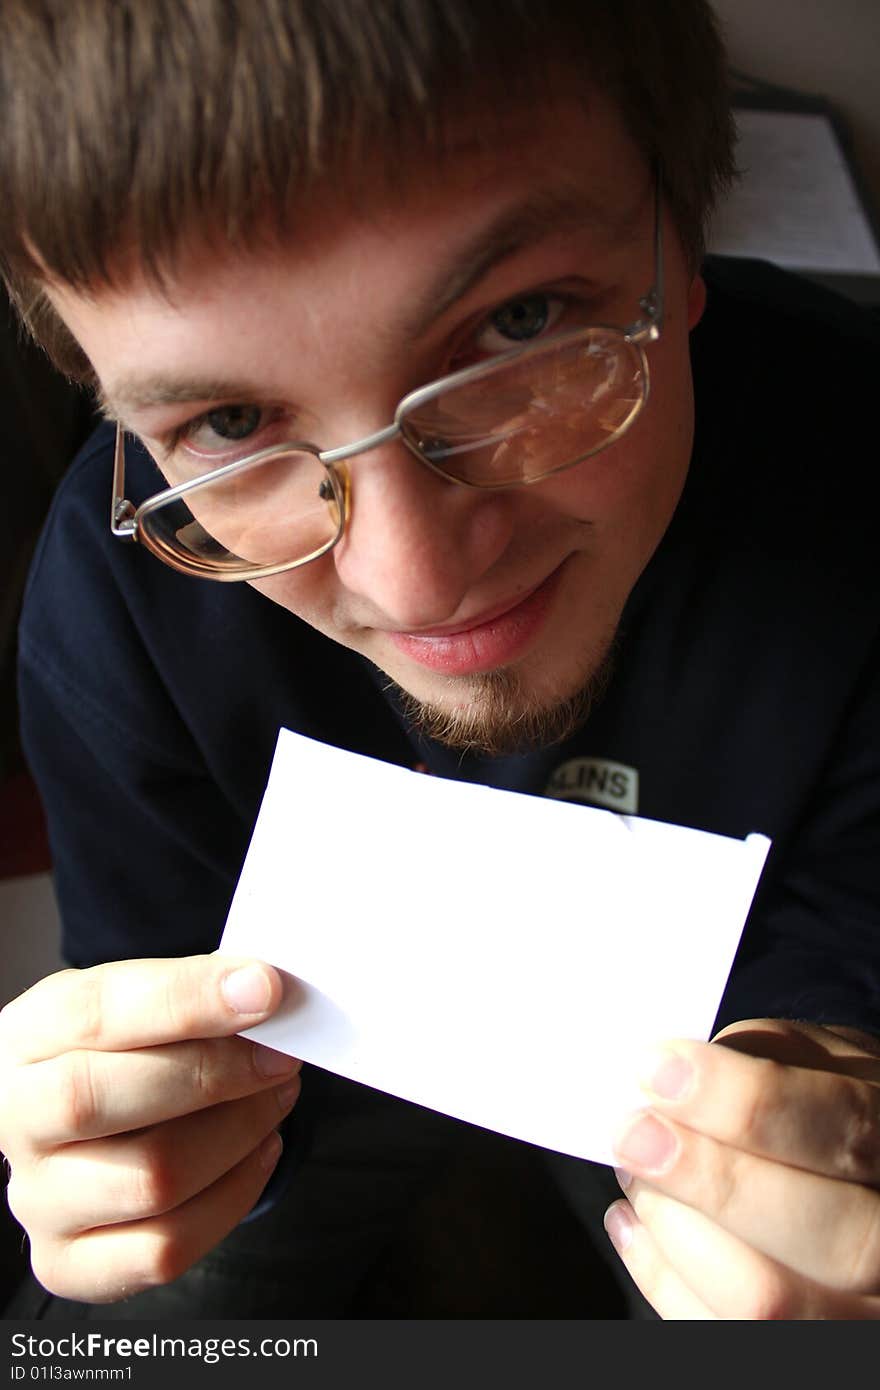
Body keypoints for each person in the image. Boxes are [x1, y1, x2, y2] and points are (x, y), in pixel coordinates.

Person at [0, 0, 879, 1321]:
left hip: (697, 1075)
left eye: (520, 324)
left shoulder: (855, 486)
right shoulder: (114, 591)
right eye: (227, 421)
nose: (417, 581)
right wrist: (124, 1146)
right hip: (309, 1084)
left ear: (682, 243)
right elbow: (162, 1015)